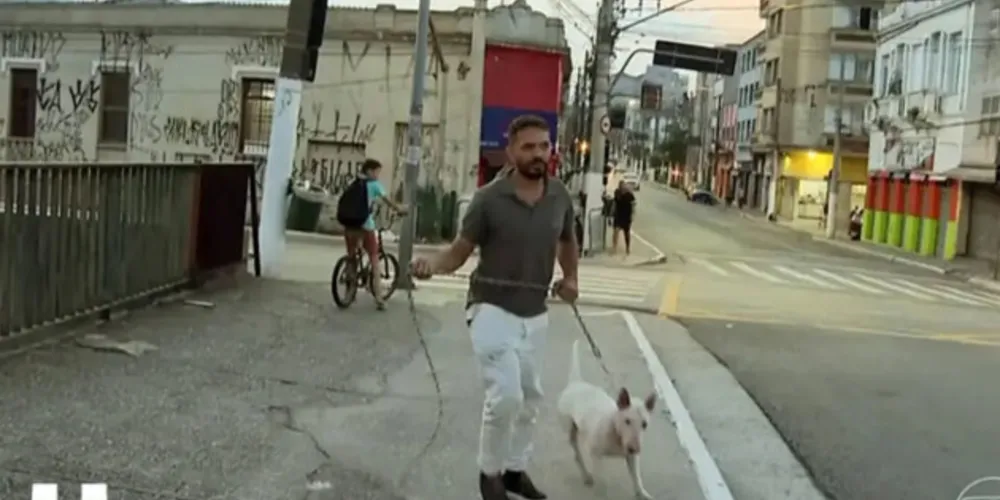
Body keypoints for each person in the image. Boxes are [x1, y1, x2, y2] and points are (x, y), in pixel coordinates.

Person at [410, 114, 579, 500]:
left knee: (530, 398)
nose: (538, 154)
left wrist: (571, 279)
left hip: (535, 314)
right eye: (528, 147)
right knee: (506, 395)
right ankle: (490, 476)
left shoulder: (560, 196)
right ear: (511, 152)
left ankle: (516, 471)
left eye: (544, 146)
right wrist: (430, 265)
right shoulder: (488, 200)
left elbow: (568, 242)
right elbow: (457, 252)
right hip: (491, 310)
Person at [336, 158, 408, 310]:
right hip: (365, 226)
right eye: (376, 172)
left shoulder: (354, 183)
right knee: (375, 261)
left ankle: (350, 291)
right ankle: (380, 299)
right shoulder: (374, 185)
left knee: (352, 257)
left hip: (349, 225)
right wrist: (400, 209)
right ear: (369, 171)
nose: (377, 175)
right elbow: (388, 201)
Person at [611, 180, 636, 257]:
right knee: (616, 231)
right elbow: (614, 203)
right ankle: (614, 248)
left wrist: (632, 215)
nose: (622, 188)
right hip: (618, 215)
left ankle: (627, 248)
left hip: (626, 215)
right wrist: (612, 212)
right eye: (620, 186)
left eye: (623, 186)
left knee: (626, 233)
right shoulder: (617, 193)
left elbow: (633, 205)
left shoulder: (629, 195)